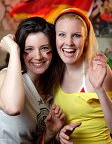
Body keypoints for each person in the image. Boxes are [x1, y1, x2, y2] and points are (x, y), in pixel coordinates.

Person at [53, 8, 112, 144]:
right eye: (62, 34)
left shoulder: (99, 70)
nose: (68, 42)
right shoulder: (55, 72)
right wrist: (59, 135)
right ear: (55, 38)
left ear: (86, 40)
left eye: (76, 35)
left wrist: (99, 89)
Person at [0, 16, 65, 144]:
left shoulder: (50, 96)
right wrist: (13, 50)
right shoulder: (5, 76)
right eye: (29, 49)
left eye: (45, 48)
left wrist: (49, 134)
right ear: (21, 53)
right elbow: (13, 108)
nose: (38, 56)